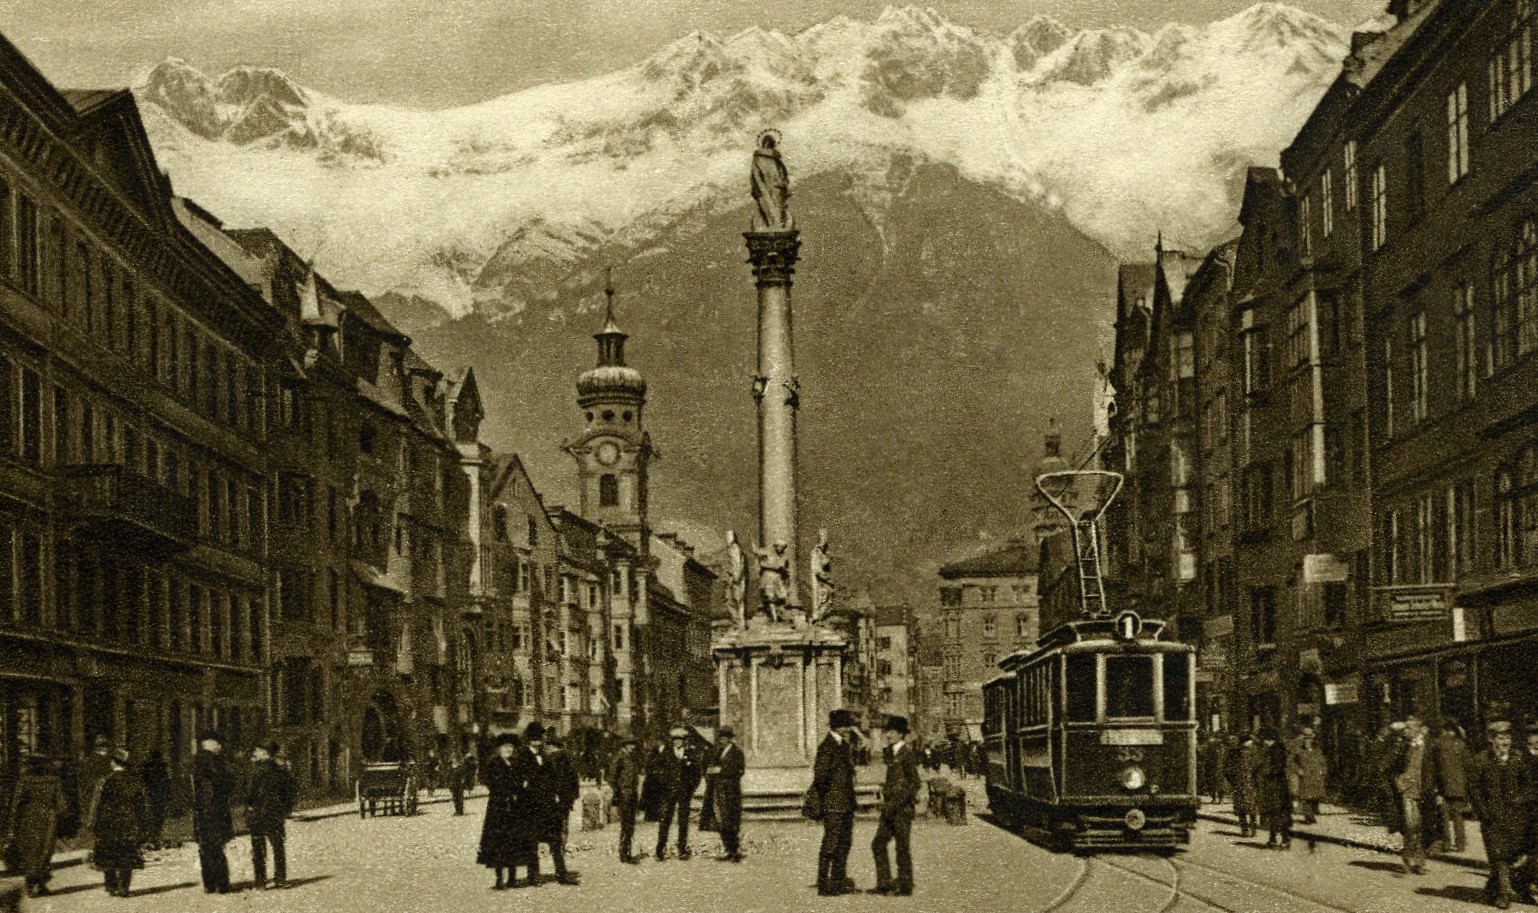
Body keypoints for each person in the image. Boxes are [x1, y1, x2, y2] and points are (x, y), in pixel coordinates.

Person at [1471, 721, 1534, 909]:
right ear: (1491, 740)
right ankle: (1503, 894)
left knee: (1514, 856)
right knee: (1498, 855)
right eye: (1500, 738)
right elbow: (1474, 790)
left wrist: (1520, 799)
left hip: (1516, 817)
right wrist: (1484, 813)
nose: (1505, 741)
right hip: (1492, 817)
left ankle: (1495, 887)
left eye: (1508, 737)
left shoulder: (1519, 758)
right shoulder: (1481, 760)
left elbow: (1530, 786)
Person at [870, 715, 919, 896]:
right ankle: (885, 883)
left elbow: (915, 783)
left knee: (901, 847)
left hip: (901, 809)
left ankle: (905, 886)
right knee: (878, 844)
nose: (887, 735)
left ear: (900, 734)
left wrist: (896, 801)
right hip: (890, 808)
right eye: (887, 731)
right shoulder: (892, 753)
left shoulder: (906, 754)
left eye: (890, 732)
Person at [90, 748, 149, 898]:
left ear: (113, 762)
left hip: (108, 821)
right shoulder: (136, 782)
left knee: (108, 852)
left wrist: (92, 823)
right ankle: (124, 887)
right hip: (129, 821)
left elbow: (96, 804)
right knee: (127, 853)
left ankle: (111, 886)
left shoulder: (104, 781)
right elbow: (143, 805)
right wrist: (144, 824)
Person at [812, 709, 859, 896]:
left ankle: (838, 880)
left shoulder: (842, 745)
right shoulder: (827, 746)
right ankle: (824, 883)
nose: (848, 729)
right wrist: (828, 800)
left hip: (846, 802)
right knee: (831, 843)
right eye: (846, 726)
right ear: (838, 726)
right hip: (833, 803)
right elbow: (820, 777)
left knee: (845, 842)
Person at [7, 753, 64, 897]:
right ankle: (40, 883)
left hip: (29, 818)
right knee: (45, 850)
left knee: (30, 850)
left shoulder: (24, 781)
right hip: (48, 818)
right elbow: (62, 805)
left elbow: (17, 804)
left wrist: (13, 824)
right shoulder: (54, 780)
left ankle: (31, 884)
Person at [247, 742, 296, 890]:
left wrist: (249, 807)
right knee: (278, 847)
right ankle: (280, 879)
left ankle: (260, 882)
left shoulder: (254, 771)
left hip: (257, 814)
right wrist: (285, 810)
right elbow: (290, 792)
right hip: (275, 814)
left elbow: (248, 794)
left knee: (258, 848)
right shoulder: (281, 771)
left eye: (258, 750)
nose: (255, 752)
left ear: (266, 753)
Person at [191, 730, 236, 894]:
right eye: (218, 743)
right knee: (217, 848)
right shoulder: (214, 761)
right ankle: (221, 883)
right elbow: (225, 783)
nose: (220, 746)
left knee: (205, 848)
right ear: (209, 743)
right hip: (215, 810)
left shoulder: (197, 761)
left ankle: (209, 883)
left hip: (202, 811)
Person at [478, 734, 524, 890]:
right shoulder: (494, 764)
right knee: (498, 843)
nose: (509, 750)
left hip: (514, 807)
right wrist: (506, 792)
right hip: (498, 809)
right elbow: (490, 782)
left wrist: (518, 790)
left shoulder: (515, 764)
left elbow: (519, 782)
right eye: (506, 747)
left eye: (511, 747)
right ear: (499, 749)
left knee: (513, 842)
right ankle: (499, 879)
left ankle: (512, 878)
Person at [1390, 716, 1435, 875]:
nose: (1405, 731)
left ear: (1416, 729)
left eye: (1409, 728)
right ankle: (1411, 861)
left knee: (1423, 828)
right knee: (1411, 827)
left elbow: (1437, 768)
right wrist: (1400, 785)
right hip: (1408, 792)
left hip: (1426, 791)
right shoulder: (1402, 746)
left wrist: (1438, 790)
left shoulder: (1429, 746)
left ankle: (1417, 861)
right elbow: (1391, 766)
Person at [651, 726, 702, 861]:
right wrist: (664, 785)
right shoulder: (666, 754)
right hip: (668, 793)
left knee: (683, 821)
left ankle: (682, 850)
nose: (677, 742)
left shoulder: (691, 754)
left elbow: (697, 774)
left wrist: (690, 788)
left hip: (684, 793)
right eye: (674, 739)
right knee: (665, 821)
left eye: (680, 739)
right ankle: (660, 850)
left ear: (684, 741)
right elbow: (657, 770)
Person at [539, 733, 581, 885]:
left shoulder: (551, 760)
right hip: (564, 802)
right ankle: (560, 868)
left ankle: (553, 868)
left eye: (546, 745)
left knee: (551, 834)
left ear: (551, 746)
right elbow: (574, 782)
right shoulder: (567, 759)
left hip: (552, 803)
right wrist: (569, 799)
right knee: (561, 832)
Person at [1433, 720, 1471, 853]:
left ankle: (1446, 843)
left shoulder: (1439, 746)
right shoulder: (1462, 746)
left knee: (1444, 816)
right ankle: (1460, 844)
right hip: (1459, 787)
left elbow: (1437, 769)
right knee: (1458, 816)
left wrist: (1437, 789)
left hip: (1443, 786)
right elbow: (1468, 767)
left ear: (1448, 731)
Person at [709, 727, 745, 862]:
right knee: (722, 820)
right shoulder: (718, 752)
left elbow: (741, 770)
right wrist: (712, 770)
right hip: (719, 790)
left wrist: (722, 771)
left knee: (732, 819)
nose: (721, 740)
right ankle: (727, 849)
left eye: (724, 738)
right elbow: (711, 766)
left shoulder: (737, 752)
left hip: (732, 790)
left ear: (729, 739)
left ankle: (734, 850)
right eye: (720, 738)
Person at [1253, 727, 1292, 849]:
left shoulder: (1275, 752)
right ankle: (1277, 838)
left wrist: (1264, 772)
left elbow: (1277, 768)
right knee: (1278, 813)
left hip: (1275, 786)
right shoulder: (1277, 750)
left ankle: (1279, 839)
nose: (1264, 742)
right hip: (1277, 786)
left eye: (1265, 739)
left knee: (1276, 813)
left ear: (1270, 739)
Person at [608, 737, 643, 864]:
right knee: (626, 825)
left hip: (632, 793)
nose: (633, 747)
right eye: (630, 744)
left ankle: (627, 852)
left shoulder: (630, 757)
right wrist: (619, 792)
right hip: (624, 795)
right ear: (625, 745)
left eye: (634, 744)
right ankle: (624, 853)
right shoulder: (619, 757)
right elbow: (612, 778)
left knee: (630, 825)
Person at [1289, 727, 1328, 825]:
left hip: (1315, 777)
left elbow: (1323, 762)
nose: (1307, 741)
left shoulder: (1317, 750)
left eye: (1309, 739)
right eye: (1305, 739)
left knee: (1314, 797)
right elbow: (1291, 762)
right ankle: (1308, 816)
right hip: (1305, 777)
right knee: (1305, 797)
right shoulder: (1298, 750)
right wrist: (1298, 770)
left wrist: (1322, 771)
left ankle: (1311, 814)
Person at [78, 735, 113, 836]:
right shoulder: (102, 758)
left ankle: (90, 823)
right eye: (103, 746)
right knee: (96, 803)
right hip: (99, 783)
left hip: (95, 783)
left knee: (93, 804)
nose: (104, 749)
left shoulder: (93, 757)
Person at [139, 750, 171, 851]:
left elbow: (143, 780)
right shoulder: (163, 768)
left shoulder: (147, 767)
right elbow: (167, 783)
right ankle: (155, 837)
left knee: (150, 816)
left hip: (150, 794)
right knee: (158, 817)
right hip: (160, 796)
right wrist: (167, 796)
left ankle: (150, 837)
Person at [1227, 733, 1257, 838]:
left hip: (1249, 785)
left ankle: (1250, 829)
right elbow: (1227, 770)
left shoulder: (1254, 754)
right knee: (1244, 809)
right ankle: (1247, 829)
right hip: (1242, 785)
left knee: (1249, 808)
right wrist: (1234, 781)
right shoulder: (1234, 755)